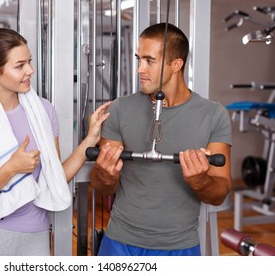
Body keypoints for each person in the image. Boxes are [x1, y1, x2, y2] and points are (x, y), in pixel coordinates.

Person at [0, 28, 110, 256]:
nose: (30, 70)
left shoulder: (43, 112)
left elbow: (55, 176)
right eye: (20, 66)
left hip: (35, 236)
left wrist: (91, 139)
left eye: (30, 62)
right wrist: (10, 169)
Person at [89, 23, 232, 256]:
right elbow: (101, 186)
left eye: (149, 61)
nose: (139, 69)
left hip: (179, 246)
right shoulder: (119, 109)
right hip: (120, 241)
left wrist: (200, 181)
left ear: (176, 65)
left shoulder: (214, 115)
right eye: (138, 59)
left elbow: (219, 193)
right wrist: (106, 174)